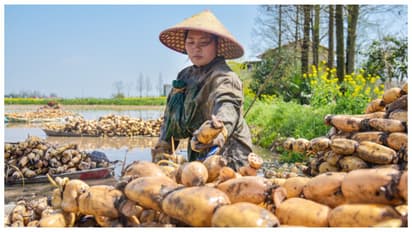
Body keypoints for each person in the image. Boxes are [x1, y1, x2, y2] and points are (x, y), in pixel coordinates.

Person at [152, 10, 253, 171]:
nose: (196, 48)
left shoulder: (225, 77)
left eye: (204, 42)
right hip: (198, 153)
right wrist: (163, 147)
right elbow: (171, 114)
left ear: (217, 45)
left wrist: (216, 131)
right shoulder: (184, 76)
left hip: (229, 156)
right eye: (190, 42)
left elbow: (227, 108)